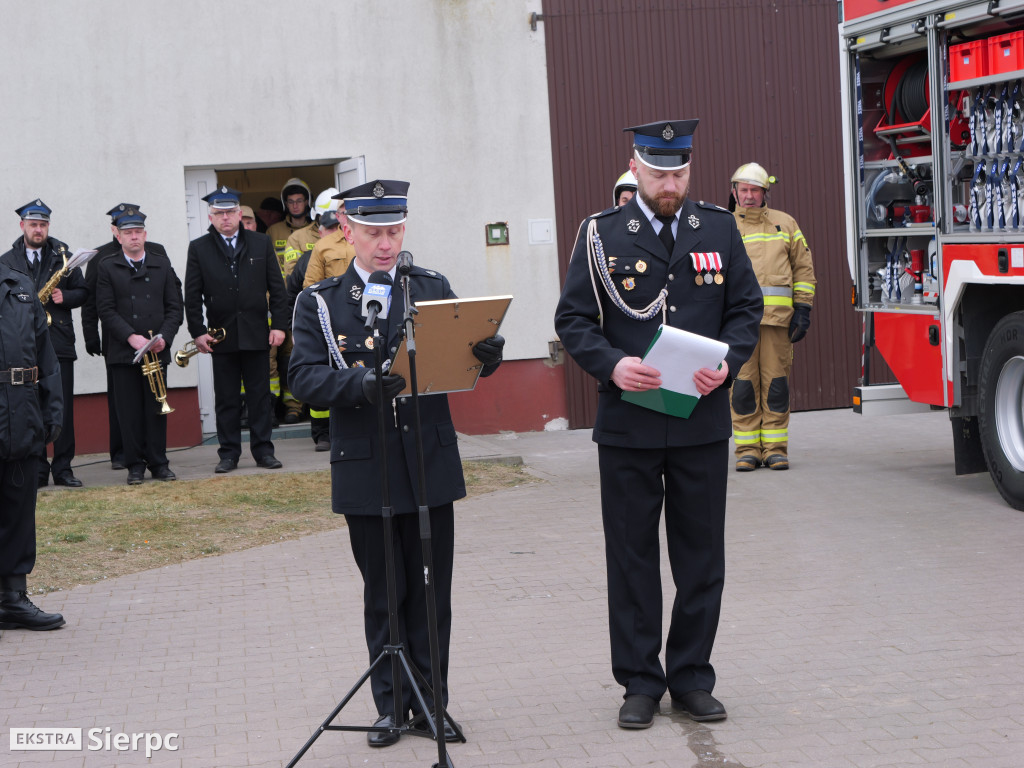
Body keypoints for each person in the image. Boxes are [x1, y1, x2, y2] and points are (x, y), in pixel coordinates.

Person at [554, 120, 763, 729]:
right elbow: (573, 320)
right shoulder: (600, 234)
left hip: (699, 421)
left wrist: (727, 361)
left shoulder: (718, 228)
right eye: (657, 172)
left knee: (701, 557)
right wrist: (612, 365)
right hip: (629, 423)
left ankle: (693, 676)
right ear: (635, 167)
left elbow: (746, 308)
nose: (669, 183)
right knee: (632, 557)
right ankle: (640, 682)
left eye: (678, 172)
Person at [289, 179, 504, 747]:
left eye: (394, 231)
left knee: (434, 594)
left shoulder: (428, 288)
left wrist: (488, 356)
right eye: (373, 232)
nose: (385, 244)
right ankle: (390, 705)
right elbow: (303, 377)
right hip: (367, 466)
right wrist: (360, 382)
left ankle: (432, 704)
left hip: (428, 462)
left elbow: (459, 360)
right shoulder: (320, 301)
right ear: (348, 231)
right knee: (384, 592)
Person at [184, 186, 289, 473]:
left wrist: (279, 325)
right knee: (227, 399)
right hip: (222, 336)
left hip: (257, 333)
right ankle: (228, 454)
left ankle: (264, 451)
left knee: (260, 397)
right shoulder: (199, 248)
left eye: (231, 212)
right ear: (211, 216)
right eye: (220, 213)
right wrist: (198, 331)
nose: (226, 218)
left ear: (240, 214)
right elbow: (192, 295)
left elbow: (277, 289)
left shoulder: (260, 243)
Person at [728, 163, 816, 472]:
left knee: (776, 386)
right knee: (742, 387)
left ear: (766, 192)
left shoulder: (785, 223)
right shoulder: (724, 225)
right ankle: (747, 450)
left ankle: (776, 449)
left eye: (755, 190)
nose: (749, 196)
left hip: (778, 322)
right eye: (743, 190)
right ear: (734, 191)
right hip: (737, 325)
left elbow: (803, 268)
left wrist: (803, 308)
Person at [0, 200, 87, 488]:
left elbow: (84, 292)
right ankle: (37, 469)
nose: (38, 229)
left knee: (62, 408)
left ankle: (63, 469)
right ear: (22, 226)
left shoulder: (64, 257)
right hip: (24, 347)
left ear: (48, 226)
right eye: (33, 224)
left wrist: (67, 297)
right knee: (30, 407)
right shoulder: (7, 261)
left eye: (43, 225)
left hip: (59, 340)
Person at [95, 207, 183, 485]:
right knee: (128, 411)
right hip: (124, 352)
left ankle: (159, 462)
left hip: (156, 349)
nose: (133, 237)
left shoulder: (161, 264)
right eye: (127, 233)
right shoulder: (107, 266)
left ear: (145, 234)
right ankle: (134, 465)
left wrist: (165, 337)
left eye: (137, 232)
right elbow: (105, 310)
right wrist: (131, 337)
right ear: (118, 236)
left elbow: (174, 307)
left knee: (156, 408)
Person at [0, 257, 65, 631]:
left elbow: (47, 356)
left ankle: (13, 598)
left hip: (22, 409)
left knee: (19, 509)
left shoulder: (20, 287)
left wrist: (52, 409)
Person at [285, 209, 341, 452]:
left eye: (336, 228)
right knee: (320, 381)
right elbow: (293, 296)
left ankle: (341, 431)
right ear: (320, 232)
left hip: (344, 331)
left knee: (344, 379)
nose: (332, 233)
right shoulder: (309, 259)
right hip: (317, 330)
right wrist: (295, 329)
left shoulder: (354, 254)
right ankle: (321, 434)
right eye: (328, 229)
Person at [266, 177, 313, 271]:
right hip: (283, 285)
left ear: (307, 202)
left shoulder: (316, 230)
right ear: (286, 204)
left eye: (299, 201)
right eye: (291, 202)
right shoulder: (273, 231)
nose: (295, 206)